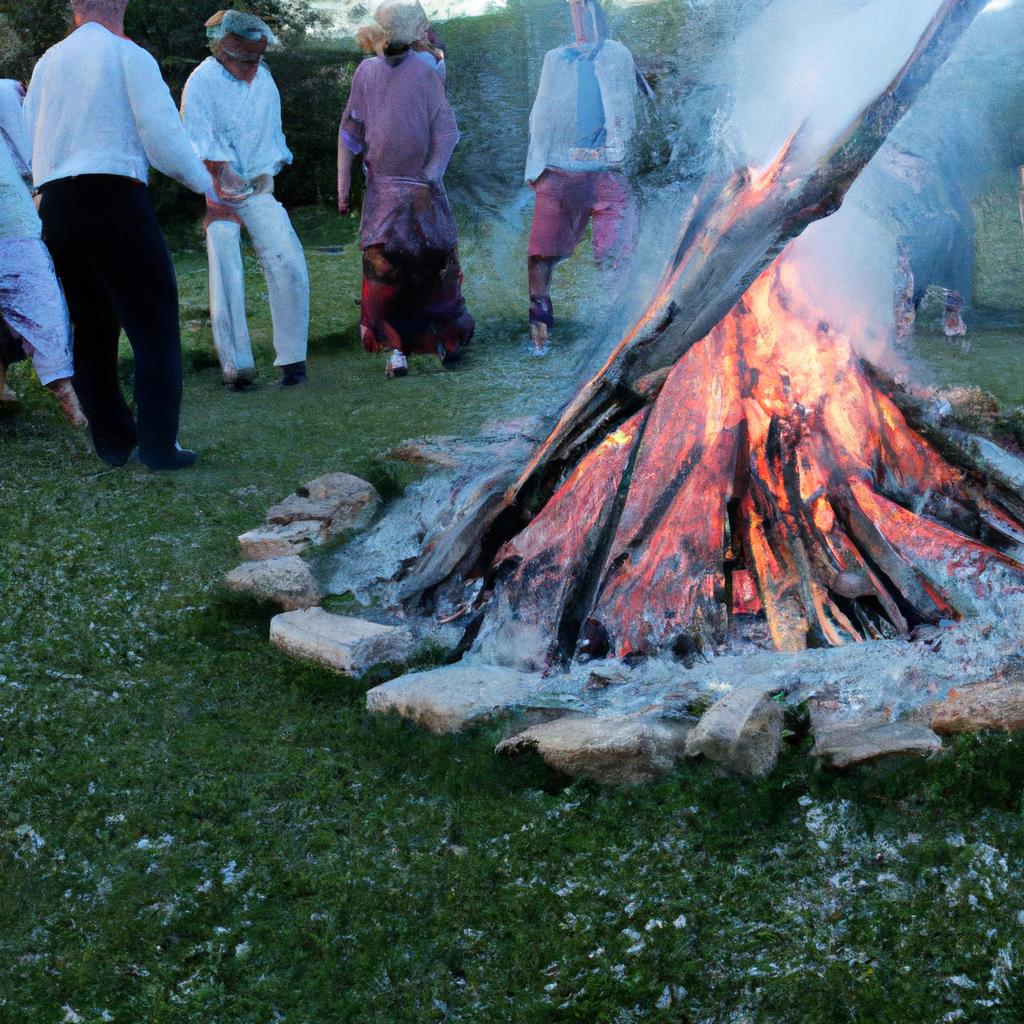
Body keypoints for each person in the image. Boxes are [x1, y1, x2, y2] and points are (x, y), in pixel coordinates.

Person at [24, 0, 216, 470]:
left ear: (74, 7)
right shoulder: (128, 55)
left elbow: (30, 134)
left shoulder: (48, 60)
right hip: (115, 198)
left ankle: (112, 441)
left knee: (90, 325)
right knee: (152, 325)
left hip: (58, 206)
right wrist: (207, 187)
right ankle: (157, 447)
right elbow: (163, 139)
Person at [338, 0, 474, 379]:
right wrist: (343, 186)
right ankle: (395, 347)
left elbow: (445, 130)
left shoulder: (428, 68)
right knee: (383, 266)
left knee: (435, 262)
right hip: (383, 189)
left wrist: (429, 178)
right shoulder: (366, 72)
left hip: (422, 188)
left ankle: (444, 338)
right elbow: (351, 128)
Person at [181, 10, 310, 390]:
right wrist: (219, 175)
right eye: (245, 60)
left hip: (256, 188)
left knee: (288, 261)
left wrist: (264, 174)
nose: (252, 67)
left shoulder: (264, 80)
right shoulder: (202, 81)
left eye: (258, 59)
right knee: (226, 265)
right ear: (222, 49)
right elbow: (193, 141)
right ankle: (236, 366)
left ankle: (293, 362)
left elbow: (271, 138)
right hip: (216, 187)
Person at [525, 0, 639, 356]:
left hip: (608, 172)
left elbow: (624, 108)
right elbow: (543, 116)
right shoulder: (555, 60)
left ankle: (617, 328)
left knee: (615, 253)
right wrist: (542, 166)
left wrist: (618, 155)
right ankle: (539, 323)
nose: (579, 14)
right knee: (541, 253)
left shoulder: (616, 55)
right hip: (560, 172)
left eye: (585, 5)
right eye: (573, 6)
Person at [0, 78, 83, 424]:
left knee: (41, 304)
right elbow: (31, 158)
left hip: (13, 223)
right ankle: (70, 398)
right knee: (42, 306)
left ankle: (70, 399)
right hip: (14, 225)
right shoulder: (6, 93)